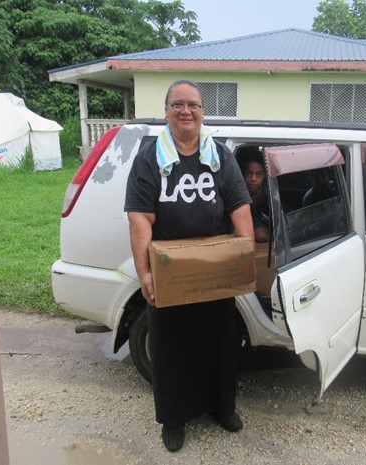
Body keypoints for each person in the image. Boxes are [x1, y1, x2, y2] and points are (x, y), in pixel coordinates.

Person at [124, 79, 254, 453]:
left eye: (193, 105)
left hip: (215, 271)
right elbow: (140, 219)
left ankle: (221, 407)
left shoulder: (220, 156)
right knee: (171, 350)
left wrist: (243, 258)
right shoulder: (150, 158)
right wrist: (146, 273)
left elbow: (240, 207)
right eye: (178, 104)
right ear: (166, 111)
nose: (186, 111)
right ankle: (174, 418)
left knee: (219, 345)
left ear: (202, 112)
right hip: (171, 274)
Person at [239, 151, 269, 242]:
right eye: (249, 173)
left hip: (254, 216)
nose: (253, 179)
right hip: (236, 217)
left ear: (265, 175)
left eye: (259, 174)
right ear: (242, 174)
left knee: (262, 236)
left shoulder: (266, 189)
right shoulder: (237, 189)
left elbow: (278, 208)